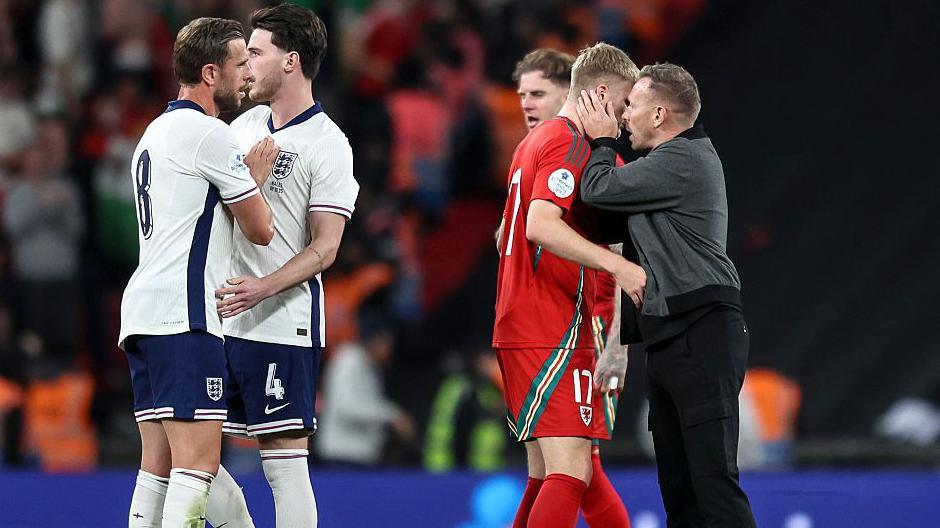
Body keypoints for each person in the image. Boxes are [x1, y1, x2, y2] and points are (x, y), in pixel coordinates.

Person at [578, 63, 757, 527]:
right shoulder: (665, 168)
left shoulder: (683, 158)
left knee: (712, 481)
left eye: (632, 105)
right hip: (672, 335)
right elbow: (604, 218)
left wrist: (600, 142)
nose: (623, 116)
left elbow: (598, 190)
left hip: (701, 331)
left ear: (659, 115)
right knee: (680, 489)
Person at [119, 17, 276, 528]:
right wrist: (253, 179)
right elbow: (261, 230)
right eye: (238, 64)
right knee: (199, 464)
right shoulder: (209, 135)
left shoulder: (154, 132)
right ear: (210, 73)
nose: (245, 75)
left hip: (144, 311)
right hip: (184, 315)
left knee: (158, 464)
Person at [209, 5, 360, 528]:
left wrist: (262, 288)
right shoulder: (242, 126)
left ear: (291, 61)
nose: (245, 65)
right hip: (221, 317)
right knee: (195, 457)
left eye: (255, 52)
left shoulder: (328, 144)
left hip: (281, 325)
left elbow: (325, 247)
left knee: (284, 469)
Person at [492, 42, 645, 528]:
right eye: (623, 105)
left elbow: (511, 234)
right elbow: (539, 224)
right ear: (600, 94)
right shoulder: (571, 145)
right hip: (556, 325)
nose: (624, 119)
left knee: (552, 471)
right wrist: (617, 268)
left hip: (526, 320)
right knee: (571, 472)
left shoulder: (534, 143)